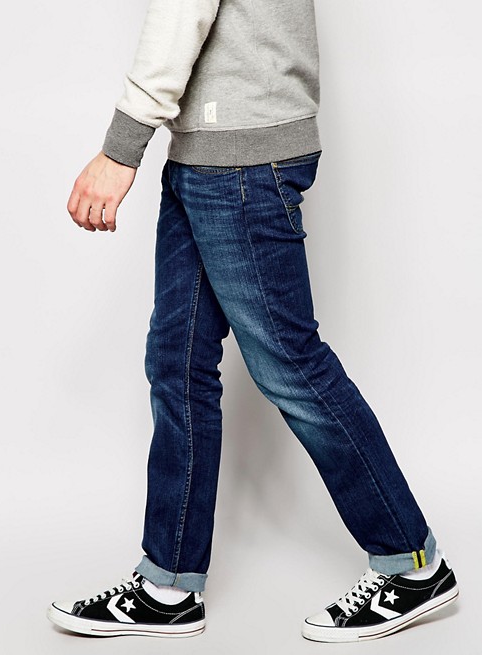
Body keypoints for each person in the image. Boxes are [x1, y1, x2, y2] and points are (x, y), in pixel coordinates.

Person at [47, 0, 459, 643]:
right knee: (177, 363)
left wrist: (120, 149)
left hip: (239, 158)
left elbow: (181, 12)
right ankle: (168, 586)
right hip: (210, 152)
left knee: (291, 366)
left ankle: (412, 564)